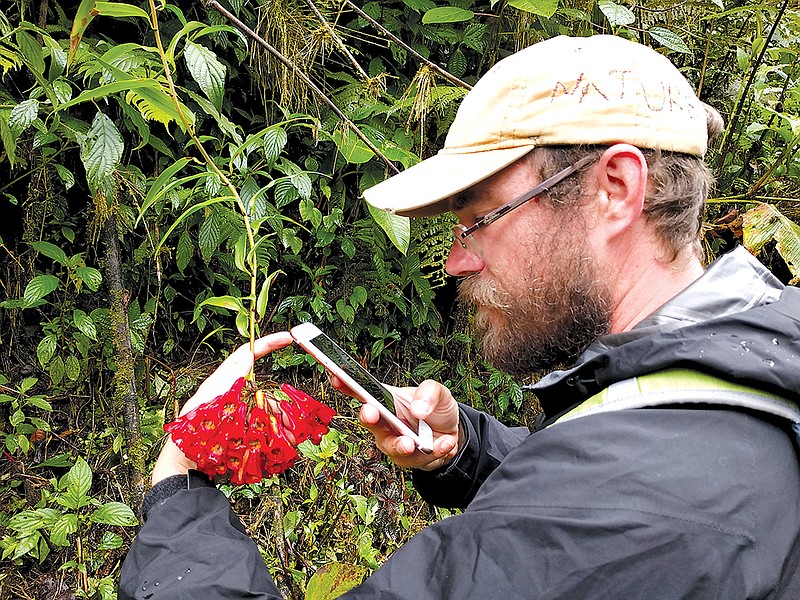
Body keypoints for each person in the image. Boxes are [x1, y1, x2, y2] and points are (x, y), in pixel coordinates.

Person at [119, 35, 800, 599]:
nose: (452, 262)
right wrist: (468, 453)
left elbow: (596, 513)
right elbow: (641, 464)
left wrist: (179, 484)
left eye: (478, 219)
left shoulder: (601, 520)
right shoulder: (754, 362)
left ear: (615, 191)